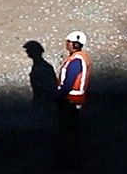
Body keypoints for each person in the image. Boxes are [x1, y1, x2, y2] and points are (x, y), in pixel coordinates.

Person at [55, 31, 90, 168]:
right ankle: (72, 158)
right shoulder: (80, 58)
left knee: (68, 132)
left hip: (69, 101)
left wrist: (58, 96)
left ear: (75, 44)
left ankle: (68, 161)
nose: (66, 44)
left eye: (68, 42)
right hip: (75, 101)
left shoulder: (76, 61)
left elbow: (69, 83)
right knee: (72, 131)